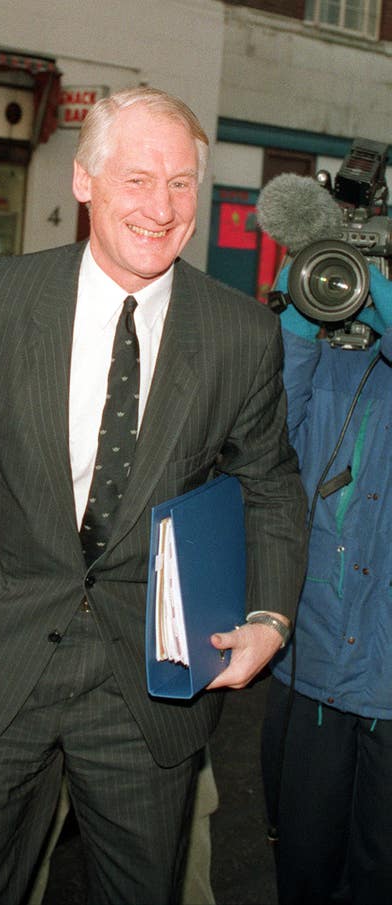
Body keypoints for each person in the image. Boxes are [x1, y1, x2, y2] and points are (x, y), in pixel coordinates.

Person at [0, 86, 308, 905]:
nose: (162, 206)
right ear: (84, 181)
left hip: (150, 684)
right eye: (137, 179)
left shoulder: (239, 335)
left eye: (181, 182)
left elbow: (273, 484)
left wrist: (270, 617)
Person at [261, 262, 392, 905]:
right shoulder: (334, 359)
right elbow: (264, 445)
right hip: (311, 664)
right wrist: (298, 320)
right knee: (304, 869)